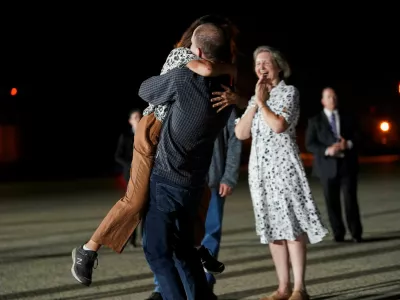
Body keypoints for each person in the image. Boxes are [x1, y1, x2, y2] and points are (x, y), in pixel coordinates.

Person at [70, 15, 239, 288]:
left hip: (168, 135)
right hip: (151, 131)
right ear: (199, 43)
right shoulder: (182, 56)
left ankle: (196, 247)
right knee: (136, 200)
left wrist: (232, 80)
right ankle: (88, 250)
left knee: (198, 191)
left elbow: (225, 70)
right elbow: (208, 70)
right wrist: (227, 69)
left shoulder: (216, 65)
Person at [139, 23, 234, 300]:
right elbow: (227, 71)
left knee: (156, 251)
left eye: (190, 48)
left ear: (200, 52)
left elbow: (145, 90)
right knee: (184, 251)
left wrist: (181, 64)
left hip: (166, 180)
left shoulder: (183, 79)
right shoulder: (227, 92)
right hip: (194, 185)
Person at [235, 46, 328, 300]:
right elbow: (241, 133)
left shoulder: (289, 92)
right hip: (260, 173)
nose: (261, 67)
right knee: (272, 229)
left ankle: (300, 288)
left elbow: (278, 125)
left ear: (278, 66)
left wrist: (263, 103)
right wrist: (255, 103)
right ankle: (282, 287)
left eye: (266, 62)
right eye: (257, 64)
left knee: (291, 227)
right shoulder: (256, 97)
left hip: (284, 170)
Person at [148, 109, 242, 299]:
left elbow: (235, 139)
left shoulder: (223, 101)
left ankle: (204, 284)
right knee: (171, 235)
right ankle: (162, 287)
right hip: (179, 181)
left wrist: (229, 176)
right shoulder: (182, 95)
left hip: (212, 180)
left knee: (209, 233)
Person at [305, 87, 362, 243]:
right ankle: (339, 234)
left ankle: (356, 233)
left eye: (334, 96)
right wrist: (326, 150)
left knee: (350, 201)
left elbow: (359, 136)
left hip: (347, 166)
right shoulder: (315, 120)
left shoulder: (348, 117)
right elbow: (310, 144)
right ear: (323, 101)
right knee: (332, 202)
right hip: (326, 167)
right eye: (329, 97)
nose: (333, 99)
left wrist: (348, 144)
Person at [114, 109, 142, 247]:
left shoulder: (145, 133)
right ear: (130, 121)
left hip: (144, 174)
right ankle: (130, 239)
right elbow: (118, 155)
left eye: (140, 116)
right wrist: (130, 163)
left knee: (144, 206)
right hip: (129, 175)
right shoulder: (125, 136)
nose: (138, 119)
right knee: (132, 207)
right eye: (135, 117)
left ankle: (145, 238)